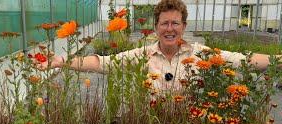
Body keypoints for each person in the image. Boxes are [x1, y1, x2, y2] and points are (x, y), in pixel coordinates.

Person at [39, 0, 278, 91]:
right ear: (156, 27)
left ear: (184, 27)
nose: (170, 29)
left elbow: (241, 59)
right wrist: (62, 61)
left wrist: (278, 61)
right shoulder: (142, 55)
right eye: (164, 23)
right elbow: (100, 62)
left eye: (175, 23)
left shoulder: (200, 54)